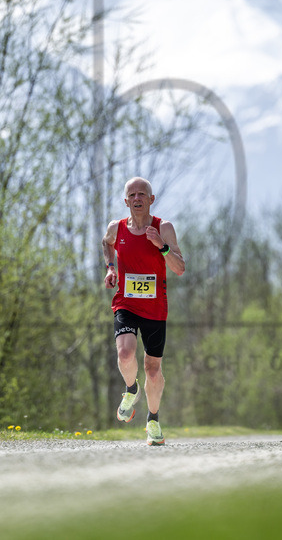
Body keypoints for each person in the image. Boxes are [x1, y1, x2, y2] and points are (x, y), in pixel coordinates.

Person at [102, 177, 185, 446]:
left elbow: (180, 268)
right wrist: (110, 267)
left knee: (152, 369)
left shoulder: (164, 227)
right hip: (126, 303)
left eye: (143, 194)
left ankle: (153, 420)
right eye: (132, 194)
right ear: (126, 201)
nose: (137, 198)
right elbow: (106, 242)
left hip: (155, 308)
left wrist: (162, 246)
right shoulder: (117, 228)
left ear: (151, 199)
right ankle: (131, 389)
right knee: (125, 353)